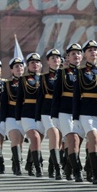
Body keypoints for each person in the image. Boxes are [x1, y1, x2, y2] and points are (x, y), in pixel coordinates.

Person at [74, 40, 97, 184]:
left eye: (95, 50)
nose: (93, 52)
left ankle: (89, 166)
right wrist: (75, 117)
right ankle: (95, 172)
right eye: (90, 50)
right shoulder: (79, 72)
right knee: (93, 138)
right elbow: (76, 96)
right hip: (86, 111)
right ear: (85, 54)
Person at [52, 44, 85, 182]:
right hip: (66, 110)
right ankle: (78, 170)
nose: (76, 56)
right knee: (73, 139)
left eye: (78, 53)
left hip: (82, 111)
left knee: (78, 142)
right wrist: (54, 116)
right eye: (73, 54)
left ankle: (67, 165)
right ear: (68, 57)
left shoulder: (86, 71)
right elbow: (56, 95)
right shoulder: (62, 73)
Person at [37, 49, 63, 180]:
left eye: (57, 57)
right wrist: (37, 117)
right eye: (52, 57)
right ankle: (58, 168)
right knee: (54, 135)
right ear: (48, 61)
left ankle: (52, 165)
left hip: (62, 110)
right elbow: (40, 97)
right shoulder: (44, 77)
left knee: (61, 139)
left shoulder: (66, 74)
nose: (55, 59)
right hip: (47, 110)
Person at [19, 53, 45, 177]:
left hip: (41, 114)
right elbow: (19, 100)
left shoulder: (44, 78)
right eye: (32, 62)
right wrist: (18, 117)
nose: (35, 64)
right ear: (28, 65)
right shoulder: (23, 79)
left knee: (37, 141)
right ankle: (38, 166)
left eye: (37, 62)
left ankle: (29, 164)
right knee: (34, 138)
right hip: (27, 113)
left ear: (41, 65)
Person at [0, 57, 25, 175]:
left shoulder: (30, 82)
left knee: (20, 140)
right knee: (15, 138)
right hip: (11, 115)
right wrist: (2, 120)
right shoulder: (8, 84)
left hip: (25, 116)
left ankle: (17, 161)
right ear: (12, 70)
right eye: (16, 66)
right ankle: (18, 164)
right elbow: (3, 103)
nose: (19, 68)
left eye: (21, 66)